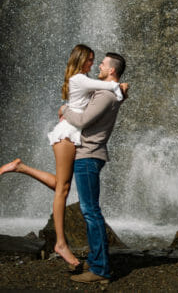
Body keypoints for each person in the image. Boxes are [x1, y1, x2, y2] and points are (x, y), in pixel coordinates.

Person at [0, 44, 127, 271]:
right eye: (89, 60)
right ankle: (61, 243)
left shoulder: (83, 79)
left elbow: (108, 92)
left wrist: (121, 89)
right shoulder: (79, 79)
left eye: (97, 61)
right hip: (67, 133)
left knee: (61, 184)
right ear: (79, 60)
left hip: (72, 135)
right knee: (63, 190)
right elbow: (109, 87)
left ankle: (21, 167)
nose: (93, 65)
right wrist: (120, 87)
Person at [60, 51, 127, 285]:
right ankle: (95, 259)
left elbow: (82, 121)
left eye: (102, 64)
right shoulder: (109, 91)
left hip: (88, 155)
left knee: (91, 211)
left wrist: (64, 110)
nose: (98, 65)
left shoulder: (106, 96)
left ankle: (100, 268)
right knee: (90, 210)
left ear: (111, 70)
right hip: (87, 155)